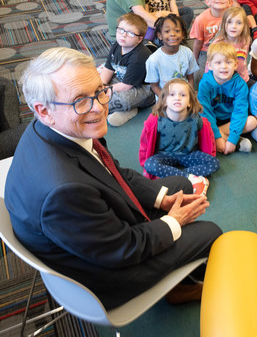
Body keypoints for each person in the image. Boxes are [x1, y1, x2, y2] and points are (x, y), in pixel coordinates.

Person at [5, 48, 222, 309]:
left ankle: (180, 277)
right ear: (44, 110)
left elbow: (114, 174)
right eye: (80, 100)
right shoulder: (63, 192)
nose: (99, 107)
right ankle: (181, 287)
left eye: (100, 91)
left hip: (93, 230)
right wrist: (173, 221)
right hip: (109, 275)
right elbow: (125, 249)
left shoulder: (52, 127)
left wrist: (162, 200)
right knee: (210, 232)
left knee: (181, 186)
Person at [139, 78, 220, 189]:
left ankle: (175, 176)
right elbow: (145, 144)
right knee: (150, 165)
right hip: (164, 155)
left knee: (214, 163)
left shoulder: (197, 119)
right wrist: (145, 164)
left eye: (183, 95)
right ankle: (189, 177)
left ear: (190, 102)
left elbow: (208, 140)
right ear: (164, 101)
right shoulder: (155, 120)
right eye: (172, 94)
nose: (177, 98)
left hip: (189, 155)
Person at [197, 42, 257, 155]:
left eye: (228, 62)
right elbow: (206, 112)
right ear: (209, 65)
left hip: (230, 119)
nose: (224, 66)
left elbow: (239, 112)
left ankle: (221, 136)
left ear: (235, 64)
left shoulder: (240, 84)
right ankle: (224, 137)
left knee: (252, 121)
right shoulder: (205, 83)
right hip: (211, 118)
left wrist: (232, 140)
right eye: (218, 62)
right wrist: (217, 136)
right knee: (194, 121)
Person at [100, 13, 155, 127]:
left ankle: (129, 108)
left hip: (144, 89)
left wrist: (107, 91)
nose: (123, 35)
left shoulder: (138, 58)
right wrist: (101, 86)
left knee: (122, 99)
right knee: (93, 83)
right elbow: (108, 69)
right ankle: (127, 109)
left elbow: (126, 86)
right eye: (120, 30)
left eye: (130, 33)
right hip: (123, 79)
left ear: (139, 39)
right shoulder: (117, 45)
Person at [189, 0, 233, 86]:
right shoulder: (201, 19)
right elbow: (198, 42)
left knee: (233, 73)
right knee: (200, 75)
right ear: (207, 1)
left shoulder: (232, 17)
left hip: (228, 49)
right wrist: (195, 59)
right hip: (207, 51)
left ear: (230, 2)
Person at [145, 14, 197, 96]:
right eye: (167, 31)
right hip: (164, 99)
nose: (172, 34)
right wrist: (166, 100)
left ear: (183, 34)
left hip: (184, 96)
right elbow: (154, 86)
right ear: (160, 35)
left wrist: (188, 95)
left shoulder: (187, 53)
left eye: (177, 31)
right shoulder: (153, 60)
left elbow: (190, 78)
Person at [210, 7, 252, 85]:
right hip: (223, 82)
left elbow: (244, 61)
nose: (234, 26)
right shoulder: (217, 43)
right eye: (229, 22)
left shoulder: (246, 40)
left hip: (242, 80)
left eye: (239, 23)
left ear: (244, 25)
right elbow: (209, 65)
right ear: (224, 24)